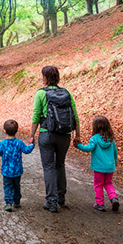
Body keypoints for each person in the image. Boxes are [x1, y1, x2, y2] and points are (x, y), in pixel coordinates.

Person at [30, 65, 79, 213]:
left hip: (47, 133)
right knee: (60, 164)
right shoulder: (66, 93)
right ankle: (61, 197)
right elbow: (75, 116)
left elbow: (36, 116)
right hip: (64, 135)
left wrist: (32, 135)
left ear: (45, 78)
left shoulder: (40, 94)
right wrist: (78, 135)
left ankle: (52, 202)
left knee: (49, 167)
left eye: (42, 75)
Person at [75, 115, 119, 212]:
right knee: (108, 183)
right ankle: (114, 198)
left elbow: (88, 148)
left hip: (99, 167)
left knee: (98, 184)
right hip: (110, 167)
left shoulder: (95, 138)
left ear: (95, 127)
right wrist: (114, 163)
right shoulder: (111, 139)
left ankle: (100, 204)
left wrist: (78, 145)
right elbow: (115, 152)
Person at [0, 120, 35, 212]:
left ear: (4, 131)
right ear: (17, 131)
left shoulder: (3, 143)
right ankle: (17, 201)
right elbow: (26, 150)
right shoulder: (19, 143)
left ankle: (8, 203)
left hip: (6, 171)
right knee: (16, 186)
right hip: (17, 170)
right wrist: (32, 144)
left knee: (7, 186)